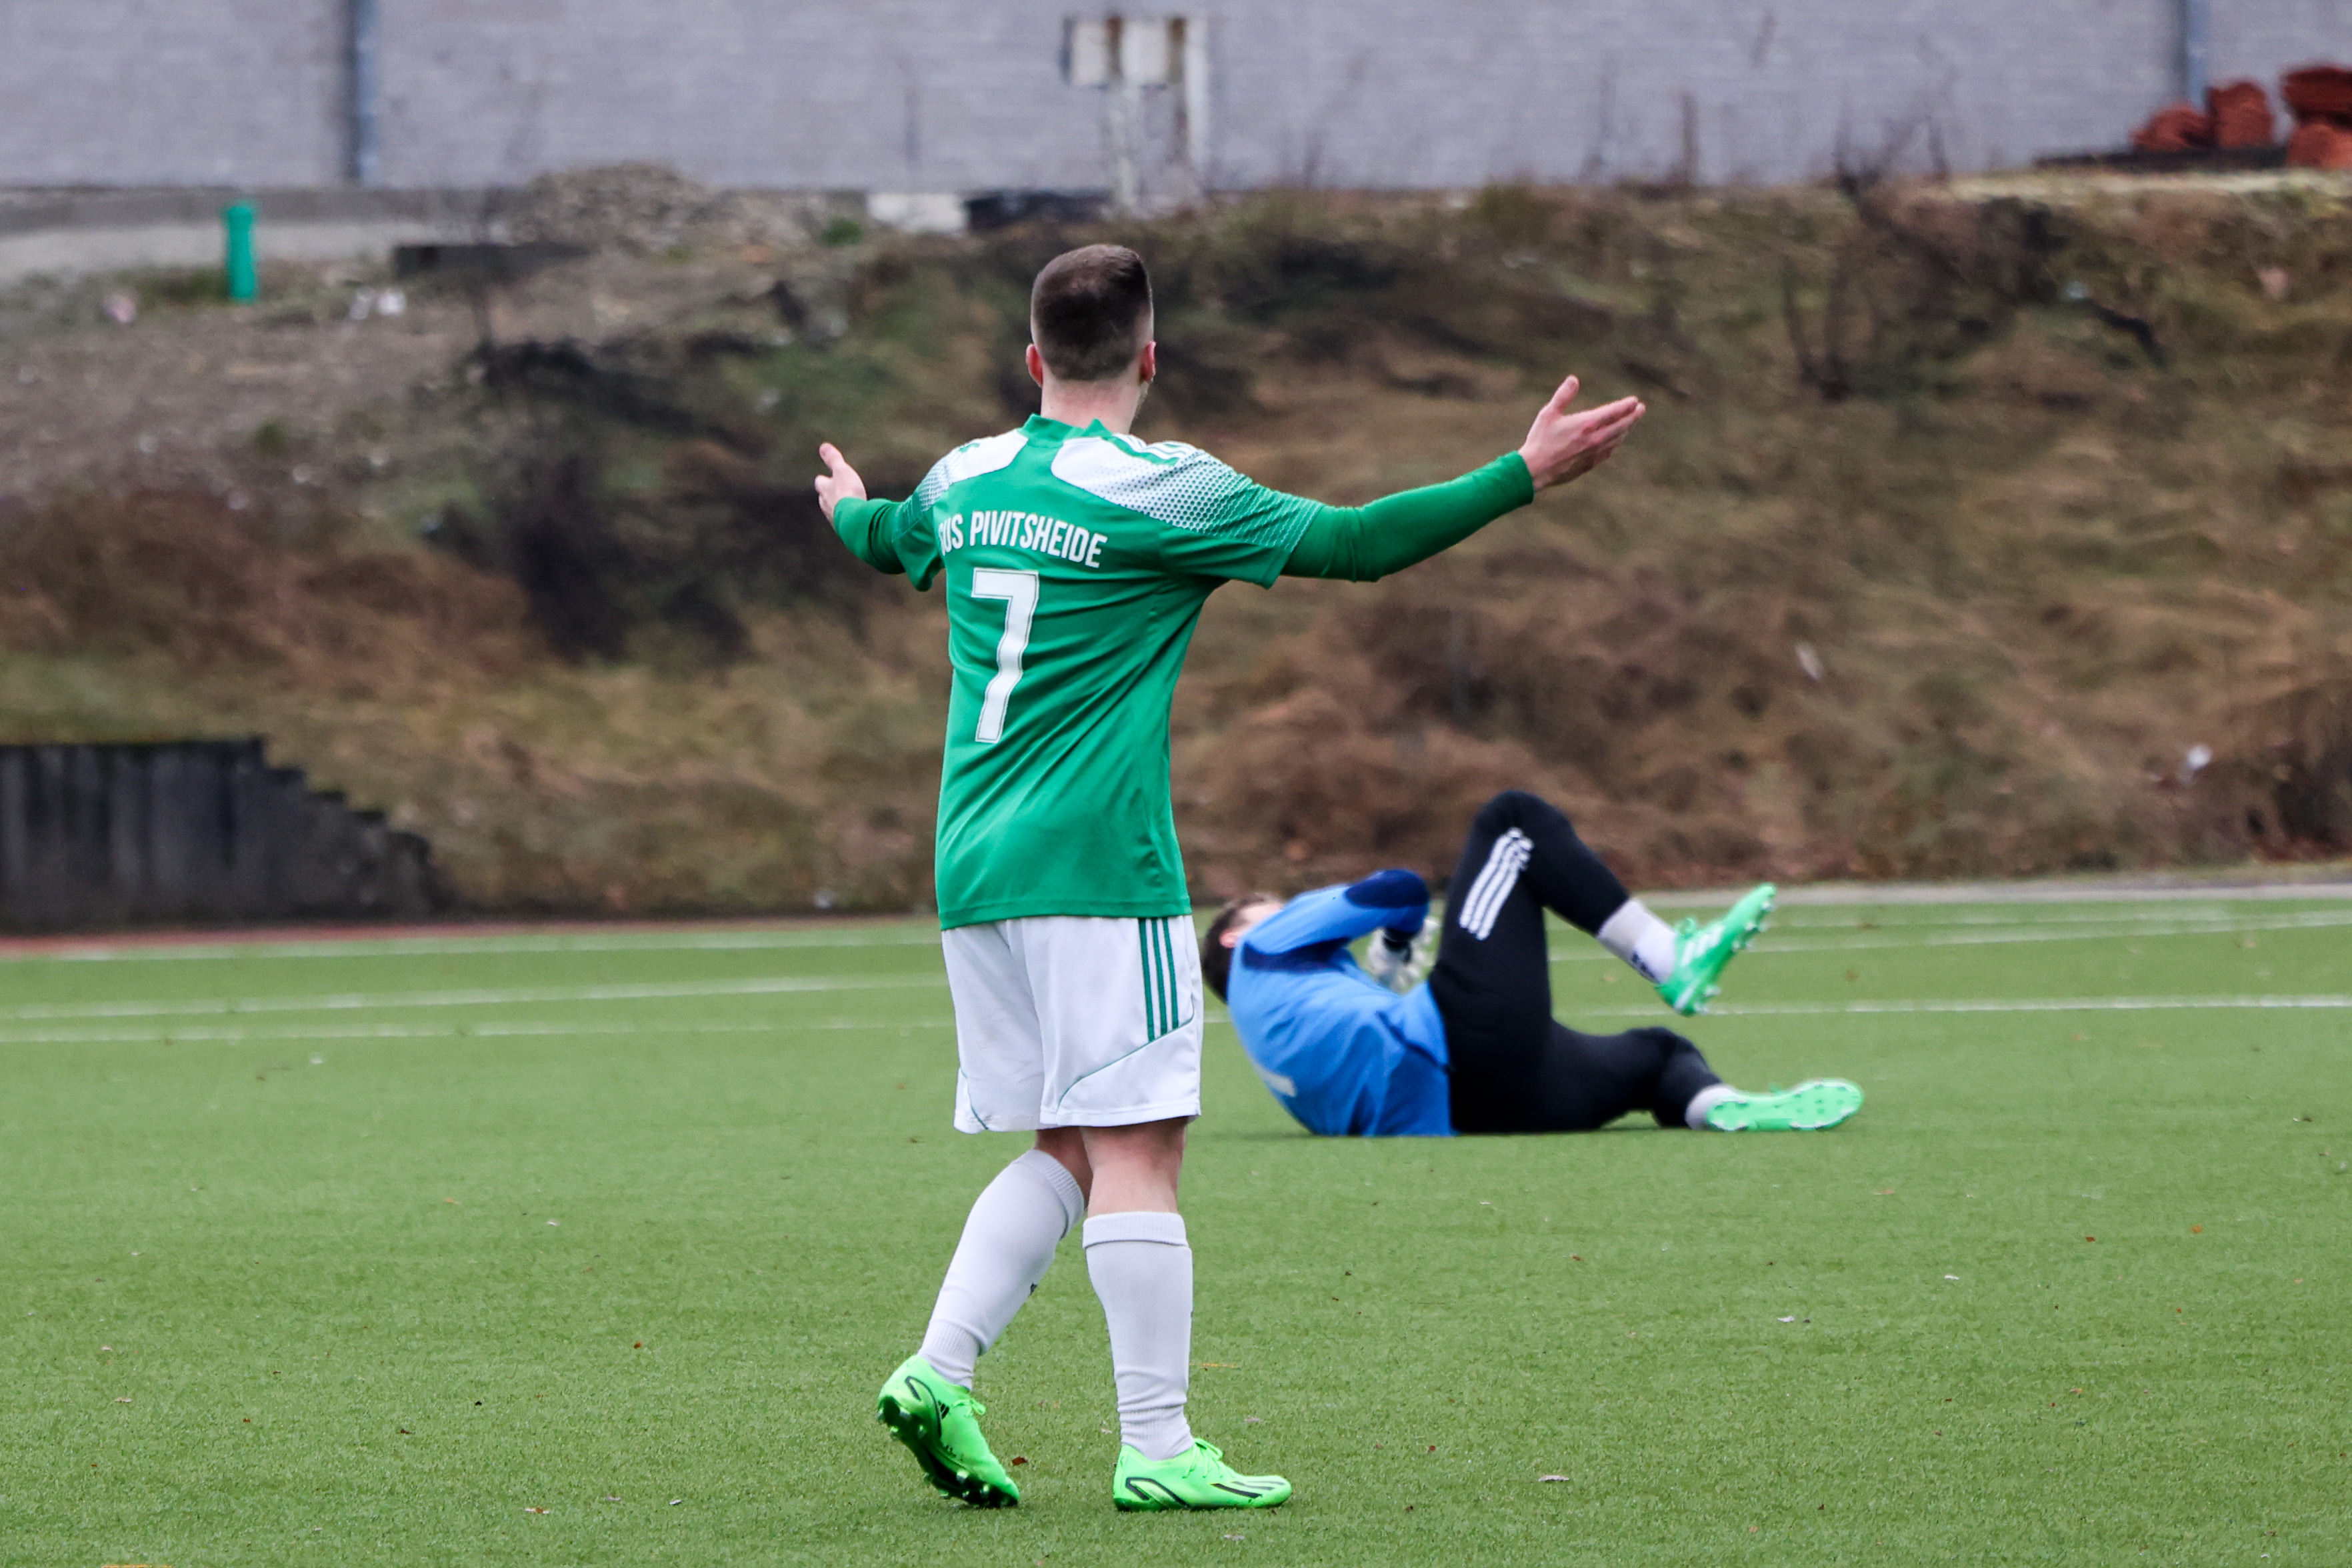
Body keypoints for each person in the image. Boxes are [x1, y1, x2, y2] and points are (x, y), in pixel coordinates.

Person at [816, 245, 1646, 1513]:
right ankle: (1156, 1445)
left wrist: (844, 510)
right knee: (1142, 1145)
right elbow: (1358, 545)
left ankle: (940, 1370)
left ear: (1031, 359)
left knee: (1069, 1144)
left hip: (972, 868)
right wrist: (1520, 474)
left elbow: (889, 537)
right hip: (1100, 868)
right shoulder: (1168, 488)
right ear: (1150, 358)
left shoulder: (963, 475)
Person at [1205, 789, 1863, 1137]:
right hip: (1454, 1047)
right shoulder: (1263, 948)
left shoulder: (1270, 1046)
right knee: (1512, 823)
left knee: (1658, 1056)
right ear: (1234, 937)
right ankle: (1671, 958)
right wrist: (1396, 944)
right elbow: (1399, 889)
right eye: (1270, 906)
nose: (1286, 909)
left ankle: (1717, 1107)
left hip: (1473, 1112)